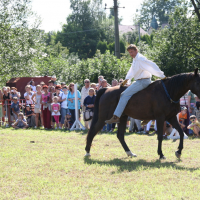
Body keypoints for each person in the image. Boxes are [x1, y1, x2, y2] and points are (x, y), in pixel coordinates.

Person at [106, 44, 166, 124]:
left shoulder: (140, 59)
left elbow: (151, 65)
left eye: (132, 52)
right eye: (129, 52)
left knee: (124, 95)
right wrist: (127, 79)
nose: (131, 54)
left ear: (136, 50)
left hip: (142, 82)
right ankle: (148, 116)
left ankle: (116, 116)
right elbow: (132, 69)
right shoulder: (135, 59)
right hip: (141, 81)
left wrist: (161, 76)